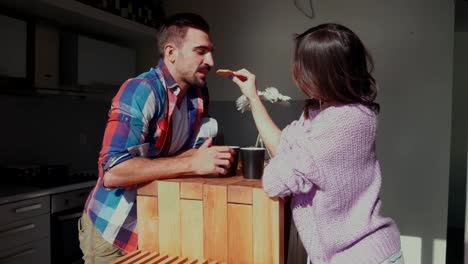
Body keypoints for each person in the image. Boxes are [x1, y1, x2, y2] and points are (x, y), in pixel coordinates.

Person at [229, 23, 403, 264]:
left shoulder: (343, 121)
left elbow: (275, 182)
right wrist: (252, 96)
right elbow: (283, 148)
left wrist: (275, 166)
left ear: (321, 71)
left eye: (300, 64)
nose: (294, 70)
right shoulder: (325, 113)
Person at [78, 13, 234, 263]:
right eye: (201, 51)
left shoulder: (199, 93)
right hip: (115, 232)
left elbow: (188, 154)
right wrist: (191, 163)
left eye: (211, 51)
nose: (211, 61)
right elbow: (114, 172)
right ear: (171, 52)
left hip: (159, 227)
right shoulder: (140, 90)